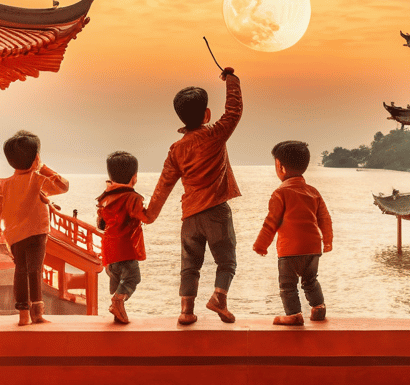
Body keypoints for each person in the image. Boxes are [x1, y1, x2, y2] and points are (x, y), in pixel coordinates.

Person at [146, 66, 242, 326]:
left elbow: (164, 184)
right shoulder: (215, 134)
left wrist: (149, 215)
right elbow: (234, 112)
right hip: (217, 212)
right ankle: (219, 298)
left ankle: (186, 311)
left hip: (190, 217)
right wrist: (231, 80)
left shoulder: (176, 149)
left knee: (190, 265)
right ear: (207, 114)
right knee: (227, 261)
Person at [0, 130, 69, 326]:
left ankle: (23, 314)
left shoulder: (2, 185)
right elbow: (63, 186)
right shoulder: (38, 179)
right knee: (35, 270)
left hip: (15, 236)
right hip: (38, 233)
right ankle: (37, 313)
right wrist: (44, 168)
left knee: (20, 271)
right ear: (36, 158)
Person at [253, 140, 332, 326]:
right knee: (310, 280)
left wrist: (261, 245)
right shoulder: (313, 192)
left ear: (280, 166)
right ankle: (318, 306)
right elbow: (325, 218)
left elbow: (271, 222)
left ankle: (294, 314)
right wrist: (327, 241)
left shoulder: (280, 193)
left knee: (288, 286)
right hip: (313, 248)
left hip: (289, 250)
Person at [96, 150, 151, 325]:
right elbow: (145, 217)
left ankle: (117, 311)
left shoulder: (104, 198)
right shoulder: (132, 198)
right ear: (134, 177)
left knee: (117, 279)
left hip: (109, 250)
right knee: (132, 278)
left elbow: (100, 224)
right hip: (125, 249)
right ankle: (118, 302)